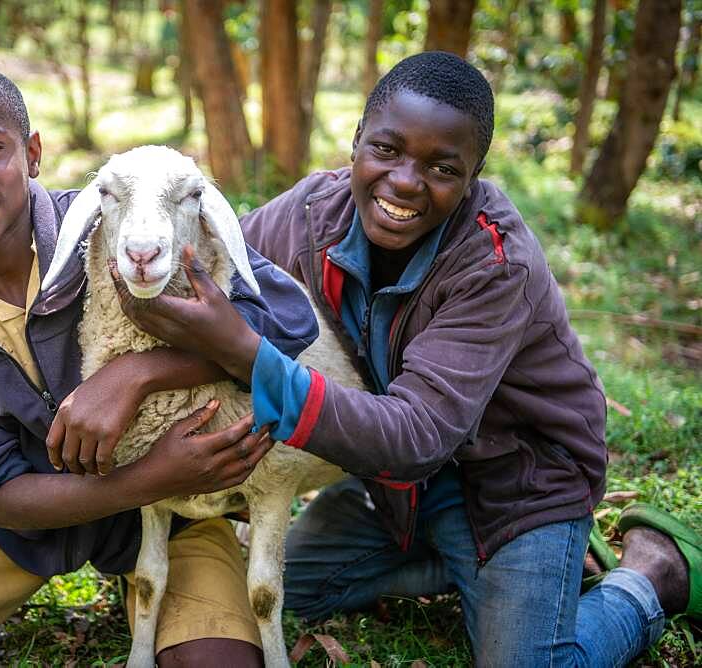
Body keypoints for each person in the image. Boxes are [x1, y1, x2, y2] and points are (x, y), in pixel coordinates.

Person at [115, 51, 700, 665]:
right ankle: (469, 569)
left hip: (515, 486)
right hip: (398, 492)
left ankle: (646, 575)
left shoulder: (496, 265)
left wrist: (242, 349)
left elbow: (415, 436)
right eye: (387, 151)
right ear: (356, 143)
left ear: (472, 176)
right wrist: (135, 370)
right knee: (283, 591)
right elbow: (221, 268)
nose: (404, 182)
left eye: (442, 167)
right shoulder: (313, 213)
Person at [0, 64, 320, 667]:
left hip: (180, 516)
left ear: (32, 154)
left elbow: (285, 321)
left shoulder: (122, 220)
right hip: (28, 524)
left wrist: (137, 374)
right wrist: (149, 477)